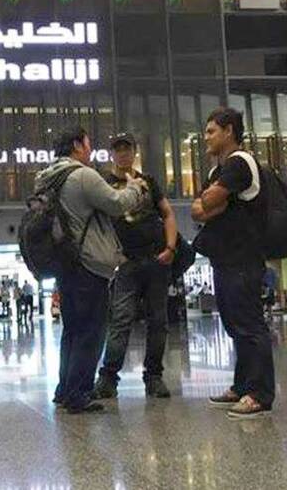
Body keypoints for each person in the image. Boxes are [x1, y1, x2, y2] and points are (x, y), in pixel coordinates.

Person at [37, 127, 145, 414]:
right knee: (91, 331)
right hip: (88, 263)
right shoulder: (82, 175)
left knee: (72, 329)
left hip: (65, 263)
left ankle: (65, 389)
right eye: (87, 143)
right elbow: (116, 203)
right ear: (76, 145)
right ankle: (79, 393)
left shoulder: (49, 177)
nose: (89, 149)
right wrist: (136, 186)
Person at [191, 107, 275, 419]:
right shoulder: (218, 172)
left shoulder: (240, 163)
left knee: (249, 325)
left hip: (244, 258)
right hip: (225, 259)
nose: (206, 137)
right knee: (234, 325)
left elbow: (208, 203)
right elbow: (198, 210)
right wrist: (211, 203)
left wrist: (213, 203)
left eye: (212, 131)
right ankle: (242, 386)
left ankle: (260, 393)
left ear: (229, 131)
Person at [93, 133, 177, 400]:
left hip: (155, 260)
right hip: (127, 264)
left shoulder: (148, 182)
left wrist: (171, 248)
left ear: (134, 151)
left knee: (159, 322)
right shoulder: (104, 183)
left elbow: (168, 213)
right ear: (112, 153)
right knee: (120, 320)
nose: (123, 154)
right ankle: (108, 377)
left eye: (127, 149)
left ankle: (153, 377)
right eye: (118, 149)